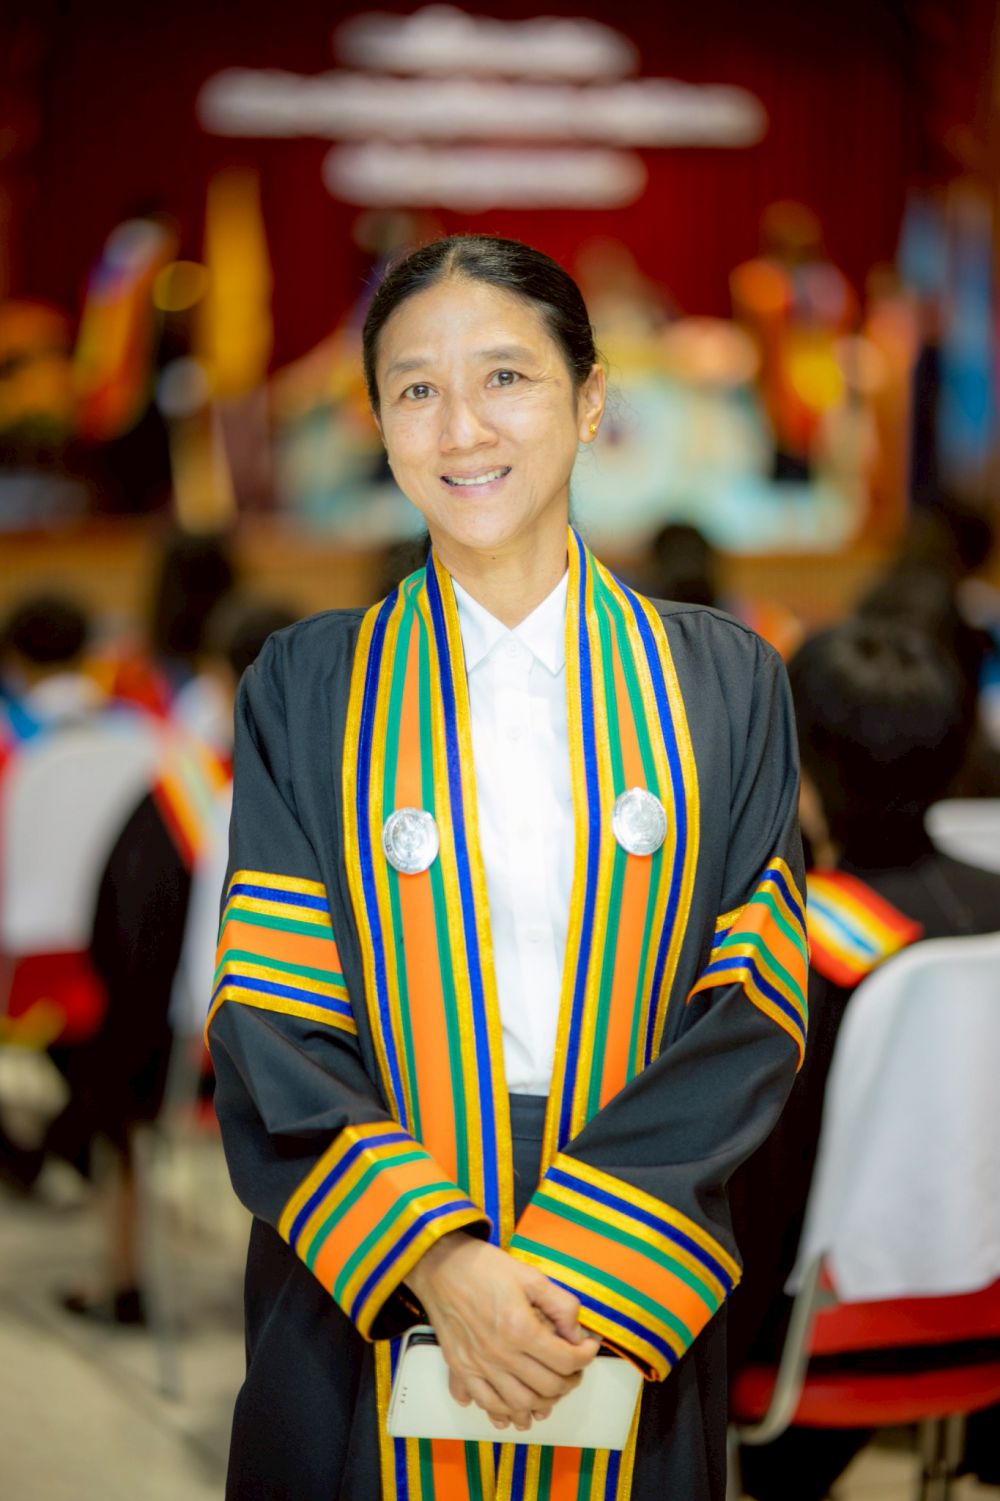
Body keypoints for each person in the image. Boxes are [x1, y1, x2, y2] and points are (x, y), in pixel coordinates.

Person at [208, 234, 806, 1501]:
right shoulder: (309, 688)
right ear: (379, 426)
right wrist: (441, 1261)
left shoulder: (721, 683)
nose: (461, 427)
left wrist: (565, 1275)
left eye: (506, 378)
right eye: (416, 389)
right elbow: (269, 1014)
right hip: (370, 1269)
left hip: (634, 1254)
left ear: (590, 401)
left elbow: (752, 1005)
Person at [727, 618, 1000, 1501]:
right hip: (985, 1317)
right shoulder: (992, 905)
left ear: (803, 770)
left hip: (818, 1345)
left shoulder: (800, 945)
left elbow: (759, 1190)